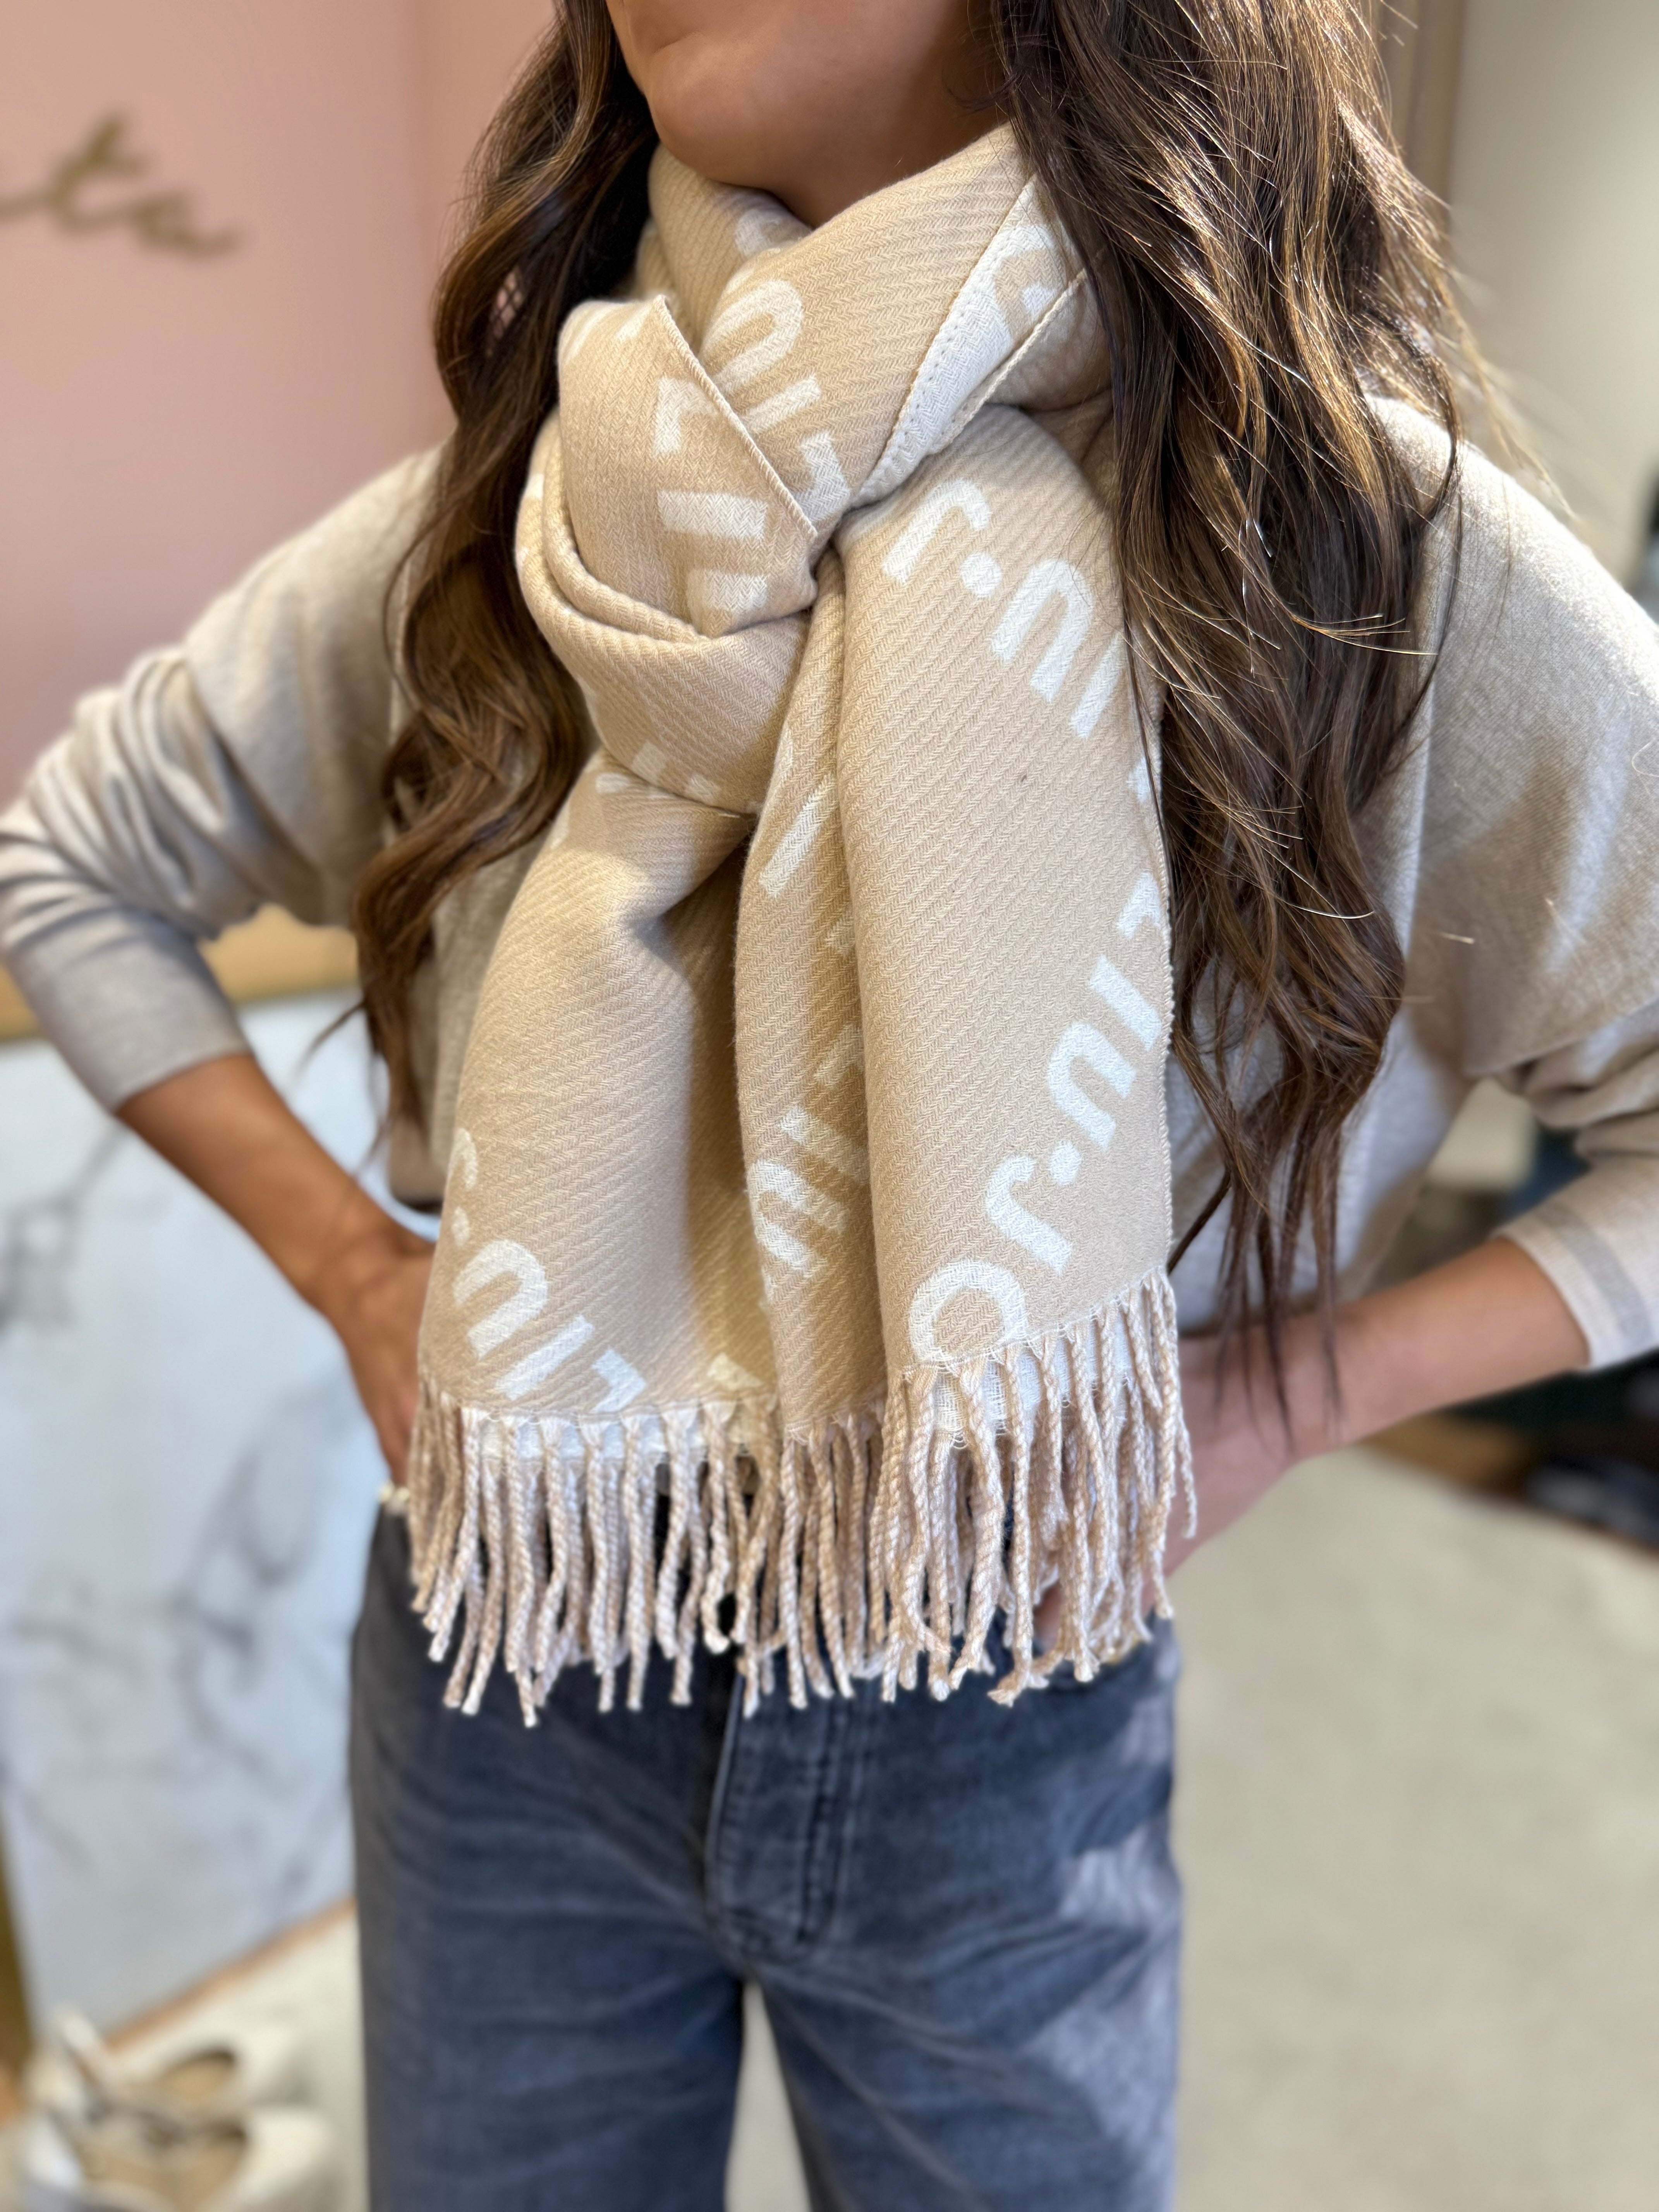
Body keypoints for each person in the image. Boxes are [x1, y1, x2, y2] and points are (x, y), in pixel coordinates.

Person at [3, 2, 1656, 2206]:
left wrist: (1293, 1394)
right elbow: (74, 869)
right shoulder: (524, 507)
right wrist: (355, 1279)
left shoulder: (1352, 556)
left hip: (1001, 1692)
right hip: (519, 1657)